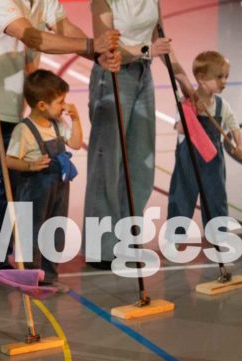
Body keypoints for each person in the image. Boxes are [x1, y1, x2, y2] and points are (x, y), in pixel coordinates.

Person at [0, 0, 121, 274]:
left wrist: (96, 55)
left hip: (9, 109)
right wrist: (91, 45)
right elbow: (33, 37)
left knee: (11, 185)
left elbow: (64, 27)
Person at [83, 0, 195, 269]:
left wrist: (183, 79)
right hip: (114, 74)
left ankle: (127, 238)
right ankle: (101, 247)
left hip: (143, 74)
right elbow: (107, 48)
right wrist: (146, 50)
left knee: (141, 161)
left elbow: (159, 39)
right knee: (107, 163)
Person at [5, 70, 82, 287]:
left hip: (59, 187)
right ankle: (31, 277)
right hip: (35, 187)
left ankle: (49, 276)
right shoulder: (25, 130)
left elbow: (76, 143)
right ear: (41, 105)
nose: (64, 106)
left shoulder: (58, 124)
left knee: (55, 230)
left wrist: (76, 119)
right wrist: (30, 165)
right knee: (32, 231)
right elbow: (9, 160)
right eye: (60, 102)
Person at [167, 51, 242, 227]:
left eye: (226, 77)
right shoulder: (186, 102)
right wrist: (192, 112)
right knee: (182, 195)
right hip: (189, 160)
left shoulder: (222, 106)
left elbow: (234, 126)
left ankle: (217, 234)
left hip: (213, 162)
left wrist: (240, 145)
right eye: (219, 77)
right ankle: (175, 234)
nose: (224, 81)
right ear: (201, 78)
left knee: (216, 197)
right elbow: (180, 128)